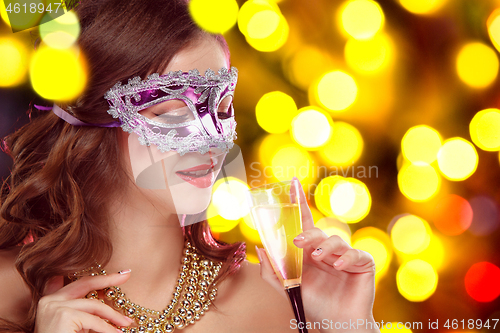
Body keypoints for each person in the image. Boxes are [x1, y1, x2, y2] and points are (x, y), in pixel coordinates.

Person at [0, 0, 379, 332]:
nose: (212, 141)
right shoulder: (10, 294)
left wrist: (349, 328)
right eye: (170, 113)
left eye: (222, 108)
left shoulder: (280, 302)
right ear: (95, 121)